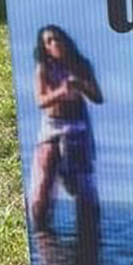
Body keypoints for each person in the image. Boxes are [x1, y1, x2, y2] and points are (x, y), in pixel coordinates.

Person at [30, 25, 103, 238]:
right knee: (42, 185)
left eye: (57, 39)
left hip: (77, 129)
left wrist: (80, 85)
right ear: (44, 47)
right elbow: (41, 101)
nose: (54, 44)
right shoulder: (43, 68)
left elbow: (97, 97)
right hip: (51, 128)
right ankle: (41, 234)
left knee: (82, 189)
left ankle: (88, 240)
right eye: (48, 41)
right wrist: (62, 91)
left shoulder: (81, 65)